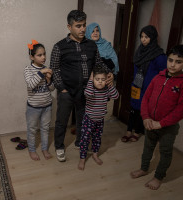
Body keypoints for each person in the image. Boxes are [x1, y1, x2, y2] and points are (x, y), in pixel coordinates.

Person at [50, 10, 113, 162]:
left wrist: (108, 72)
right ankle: (59, 146)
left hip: (86, 91)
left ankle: (80, 142)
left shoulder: (91, 45)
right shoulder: (60, 46)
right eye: (78, 26)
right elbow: (54, 69)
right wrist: (62, 88)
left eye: (84, 25)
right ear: (69, 27)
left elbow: (98, 64)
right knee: (61, 120)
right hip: (66, 91)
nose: (83, 29)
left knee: (83, 119)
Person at [130, 44, 183, 190]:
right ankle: (144, 168)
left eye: (178, 62)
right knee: (147, 148)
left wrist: (162, 123)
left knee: (165, 152)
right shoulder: (158, 77)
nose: (173, 64)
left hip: (168, 127)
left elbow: (182, 110)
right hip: (150, 123)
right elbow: (146, 98)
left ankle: (158, 177)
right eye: (170, 60)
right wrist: (145, 117)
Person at [121, 25, 167, 143]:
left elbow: (163, 75)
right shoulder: (139, 51)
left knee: (143, 110)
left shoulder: (159, 56)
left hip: (149, 89)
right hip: (137, 86)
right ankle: (129, 130)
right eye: (141, 36)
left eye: (146, 37)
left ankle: (138, 131)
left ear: (152, 38)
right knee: (133, 108)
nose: (143, 39)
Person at [78, 64, 119, 170]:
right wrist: (91, 81)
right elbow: (88, 94)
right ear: (93, 80)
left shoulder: (106, 89)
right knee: (85, 139)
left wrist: (110, 85)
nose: (100, 81)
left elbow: (116, 96)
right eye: (97, 79)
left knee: (97, 139)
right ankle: (82, 158)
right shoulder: (91, 88)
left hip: (100, 120)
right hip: (89, 119)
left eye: (102, 79)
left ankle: (95, 154)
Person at [24, 40, 55, 161]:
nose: (43, 57)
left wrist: (48, 80)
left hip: (47, 105)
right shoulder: (28, 69)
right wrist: (41, 72)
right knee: (32, 129)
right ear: (32, 57)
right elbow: (31, 84)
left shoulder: (46, 69)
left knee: (45, 128)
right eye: (39, 55)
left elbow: (52, 88)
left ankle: (44, 148)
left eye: (44, 54)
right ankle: (32, 150)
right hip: (33, 107)